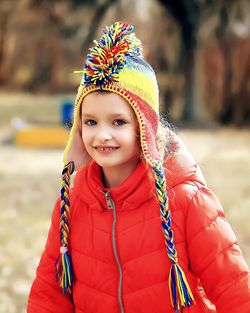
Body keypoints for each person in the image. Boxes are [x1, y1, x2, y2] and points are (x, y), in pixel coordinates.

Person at [27, 22, 250, 313]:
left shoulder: (185, 200)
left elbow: (233, 287)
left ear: (144, 128)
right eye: (91, 122)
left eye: (118, 122)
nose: (102, 135)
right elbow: (49, 293)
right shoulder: (72, 204)